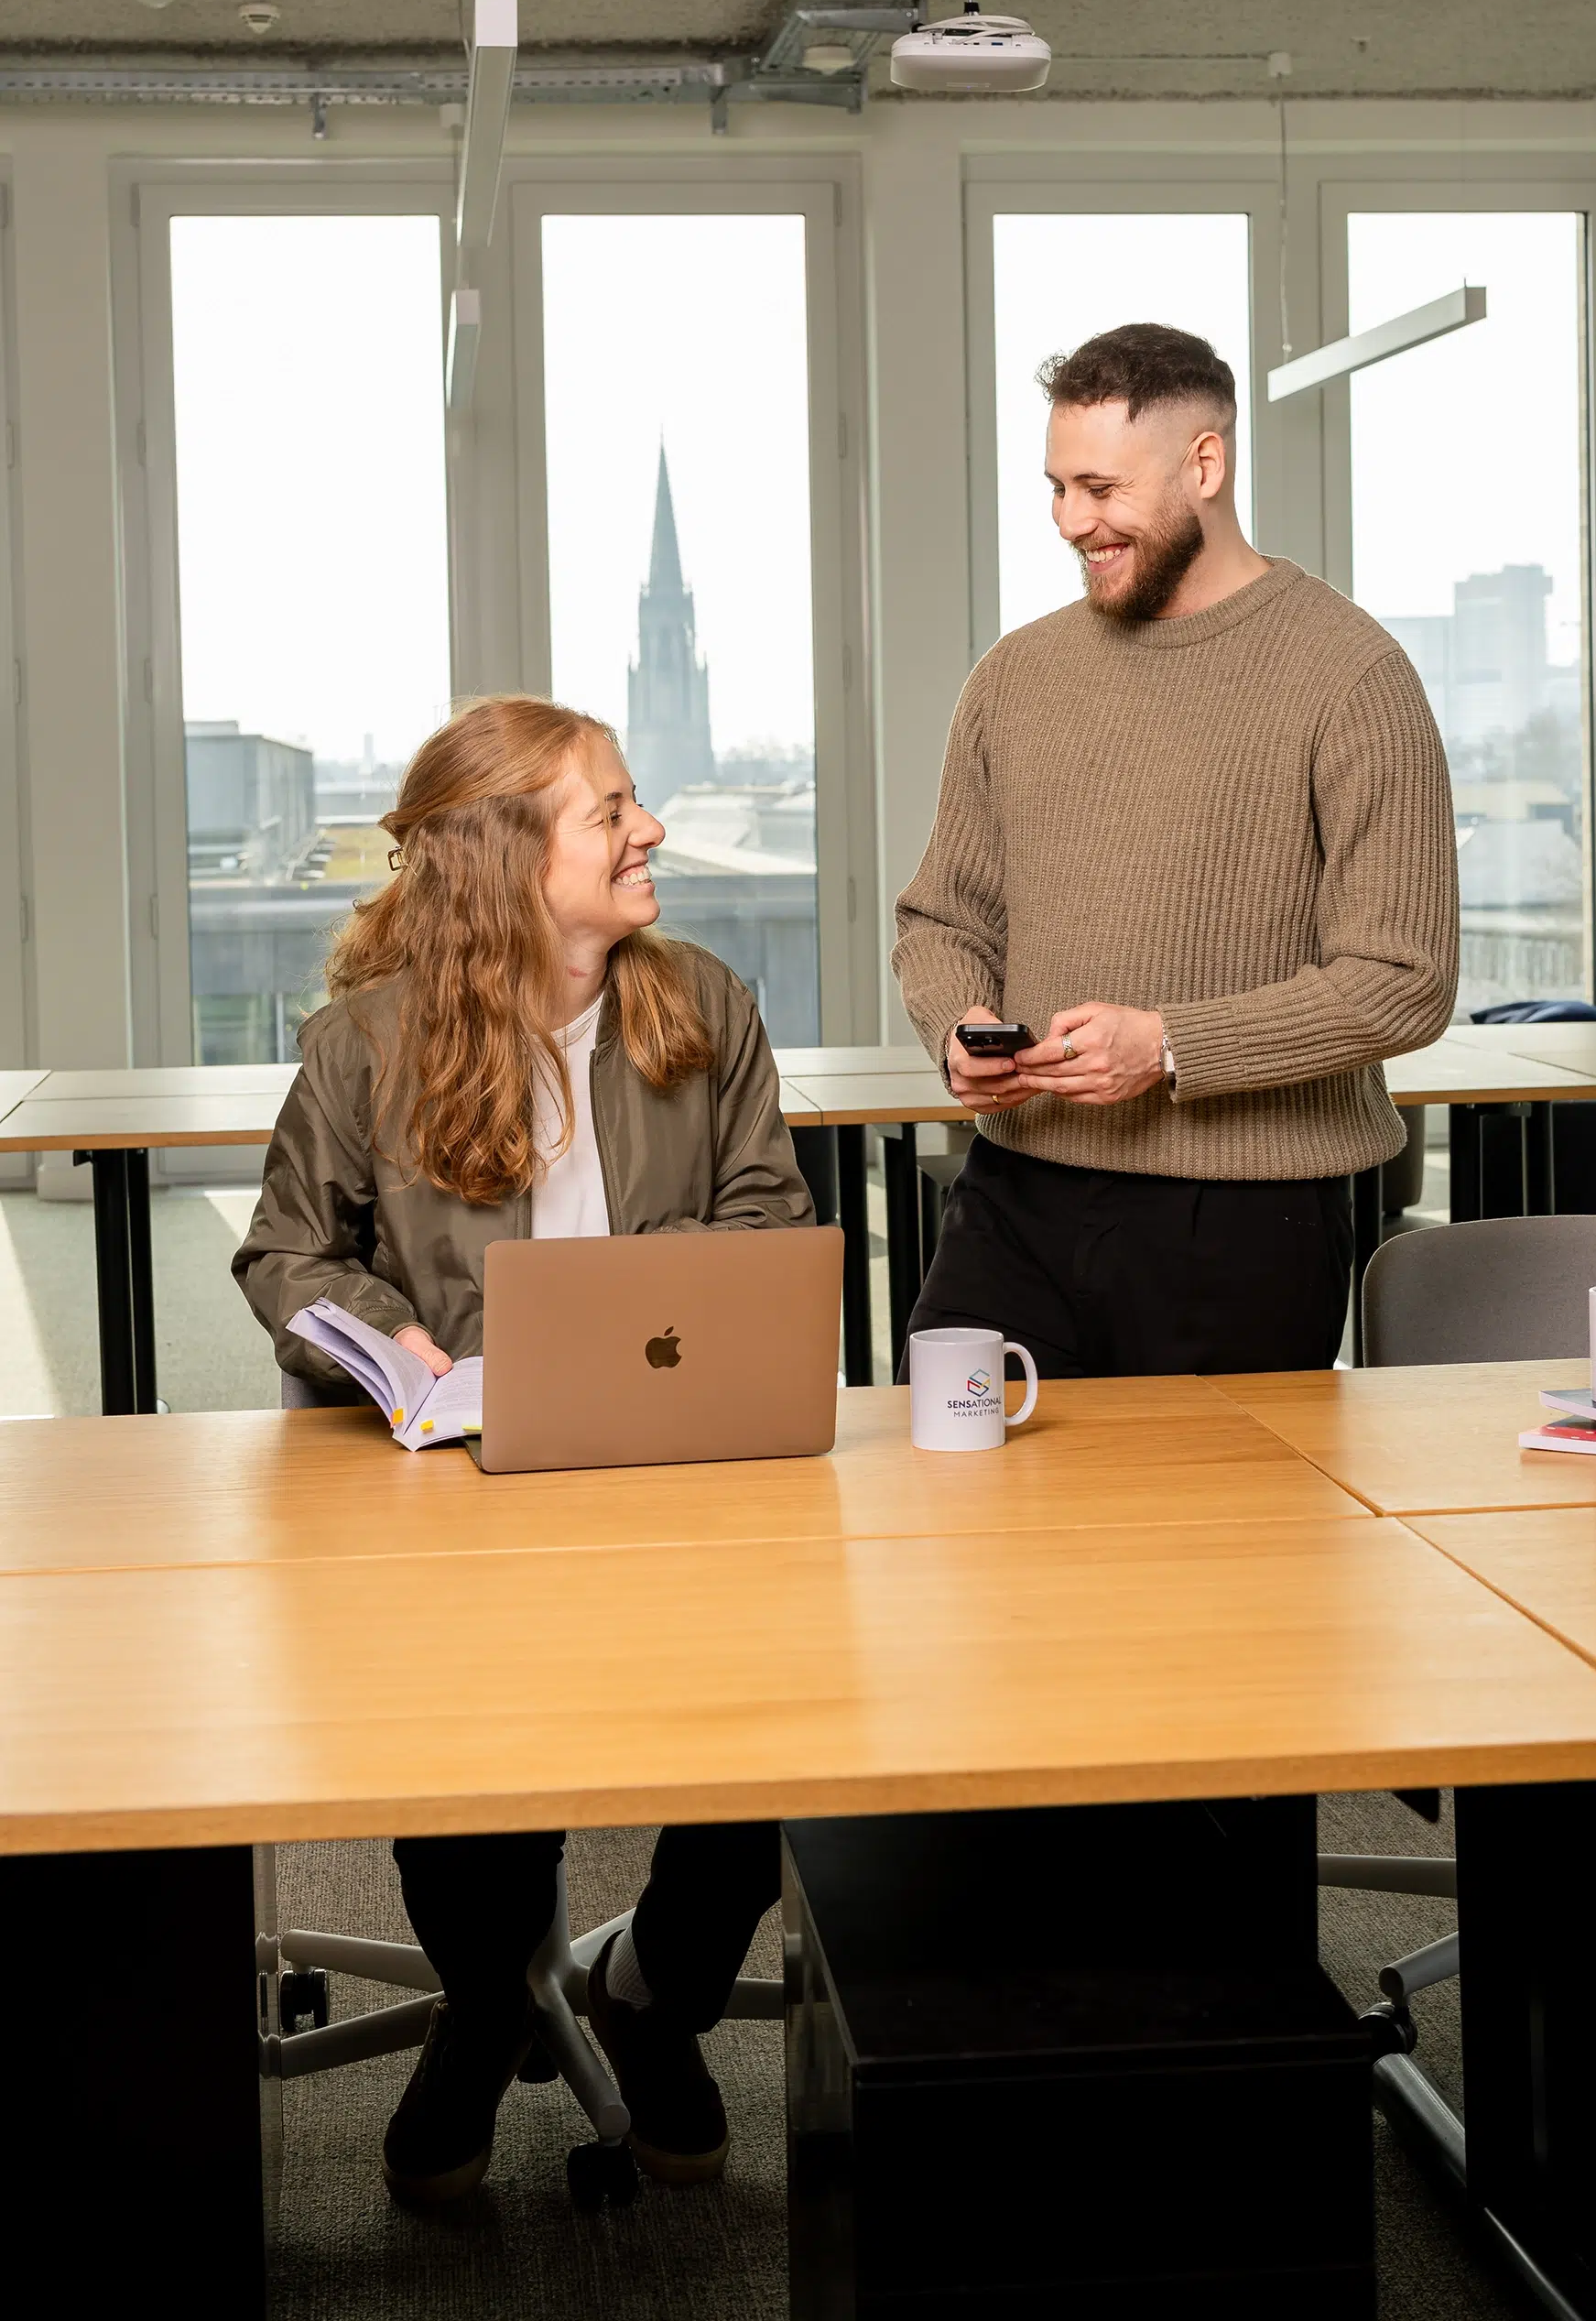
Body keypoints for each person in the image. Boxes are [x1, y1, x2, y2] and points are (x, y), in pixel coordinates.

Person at [235, 694, 809, 2207]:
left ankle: (653, 1998)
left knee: (780, 1732)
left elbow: (771, 1228)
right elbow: (288, 1256)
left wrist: (634, 1309)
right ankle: (488, 2004)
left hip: (672, 1474)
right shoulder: (363, 1046)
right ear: (505, 858)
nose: (651, 829)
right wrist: (394, 1339)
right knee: (459, 1764)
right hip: (451, 1492)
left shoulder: (708, 1010)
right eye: (610, 810)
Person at [894, 321, 1458, 1378]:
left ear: (1206, 464)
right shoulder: (1014, 677)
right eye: (1057, 488)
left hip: (1249, 1221)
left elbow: (1404, 983)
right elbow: (942, 918)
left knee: (1207, 1540)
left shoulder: (1352, 676)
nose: (1072, 521)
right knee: (955, 1508)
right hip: (1015, 1192)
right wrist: (959, 1023)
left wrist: (1168, 1046)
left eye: (1101, 489)